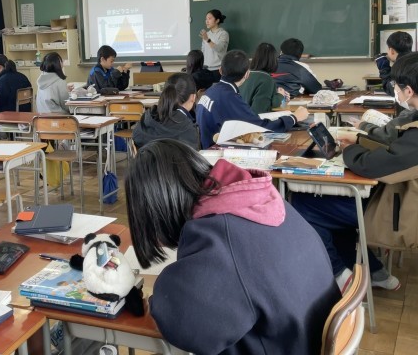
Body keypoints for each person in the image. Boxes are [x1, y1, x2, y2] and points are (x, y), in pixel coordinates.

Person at [125, 139, 340, 354]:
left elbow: (183, 323)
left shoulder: (220, 236)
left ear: (157, 210)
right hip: (307, 340)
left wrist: (157, 294)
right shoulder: (261, 200)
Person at [292, 54, 418, 293]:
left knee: (304, 204)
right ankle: (375, 271)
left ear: (409, 91)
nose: (395, 91)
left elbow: (370, 165)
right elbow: (396, 151)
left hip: (399, 210)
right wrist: (359, 140)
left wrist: (349, 149)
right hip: (398, 195)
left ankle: (341, 275)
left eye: (396, 86)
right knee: (334, 206)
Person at [196, 50, 309, 148]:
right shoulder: (229, 98)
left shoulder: (212, 91)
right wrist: (294, 117)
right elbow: (259, 126)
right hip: (217, 152)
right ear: (247, 74)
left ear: (220, 70)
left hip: (206, 147)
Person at [133, 73, 199, 150]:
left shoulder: (146, 118)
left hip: (144, 158)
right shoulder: (187, 128)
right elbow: (191, 155)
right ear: (193, 97)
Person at [239, 42, 290, 114]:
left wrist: (282, 98)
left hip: (238, 116)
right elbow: (263, 107)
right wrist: (280, 95)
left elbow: (266, 100)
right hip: (254, 119)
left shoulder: (244, 74)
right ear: (273, 60)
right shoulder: (266, 79)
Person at [375, 30, 413, 96]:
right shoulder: (412, 61)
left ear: (392, 50)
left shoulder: (400, 65)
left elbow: (394, 90)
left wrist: (384, 68)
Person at [199, 9, 229, 82]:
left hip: (218, 70)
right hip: (206, 69)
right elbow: (203, 51)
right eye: (206, 19)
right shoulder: (206, 34)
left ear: (217, 20)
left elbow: (219, 48)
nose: (207, 21)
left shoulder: (223, 34)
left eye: (209, 18)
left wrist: (207, 40)